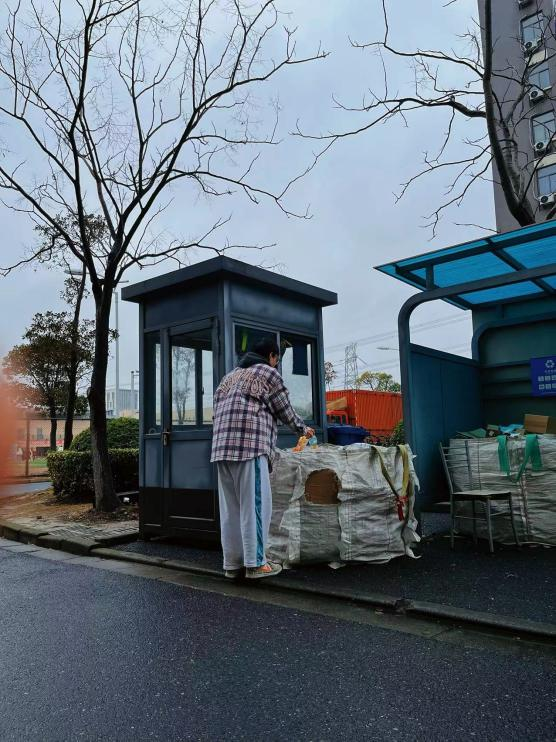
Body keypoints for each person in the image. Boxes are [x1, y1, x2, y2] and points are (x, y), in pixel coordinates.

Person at [211, 336, 314, 580]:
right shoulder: (268, 373)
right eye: (276, 359)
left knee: (231, 510)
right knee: (255, 506)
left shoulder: (229, 377)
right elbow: (284, 408)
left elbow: (216, 412)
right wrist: (302, 429)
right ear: (271, 356)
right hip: (250, 446)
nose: (276, 364)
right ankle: (256, 564)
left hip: (221, 448)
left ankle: (232, 565)